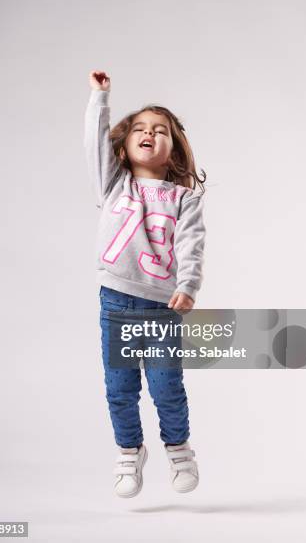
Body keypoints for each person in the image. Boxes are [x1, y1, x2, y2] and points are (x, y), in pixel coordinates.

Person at [84, 70, 207, 498]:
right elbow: (95, 144)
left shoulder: (184, 198)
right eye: (140, 128)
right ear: (125, 143)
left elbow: (192, 245)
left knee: (166, 386)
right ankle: (129, 452)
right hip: (116, 299)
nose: (149, 134)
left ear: (173, 149)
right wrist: (101, 98)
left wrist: (189, 285)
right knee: (119, 387)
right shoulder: (115, 185)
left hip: (161, 307)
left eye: (160, 130)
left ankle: (179, 450)